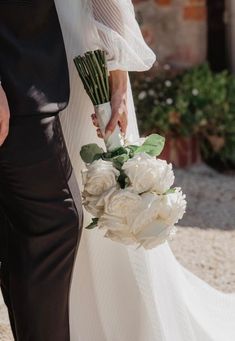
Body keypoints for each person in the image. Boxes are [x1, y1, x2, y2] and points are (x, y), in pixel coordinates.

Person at [55, 1, 235, 341]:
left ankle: (127, 322)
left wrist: (119, 83)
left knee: (106, 195)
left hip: (84, 64)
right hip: (34, 66)